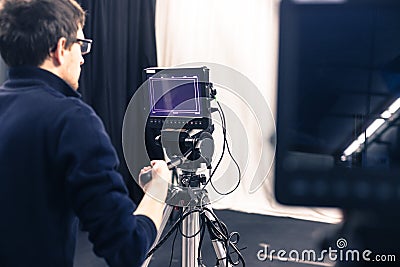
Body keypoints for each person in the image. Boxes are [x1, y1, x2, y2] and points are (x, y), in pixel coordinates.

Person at [0, 0, 169, 266]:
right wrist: (158, 190)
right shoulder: (72, 120)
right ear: (59, 49)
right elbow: (127, 247)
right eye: (80, 44)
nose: (82, 57)